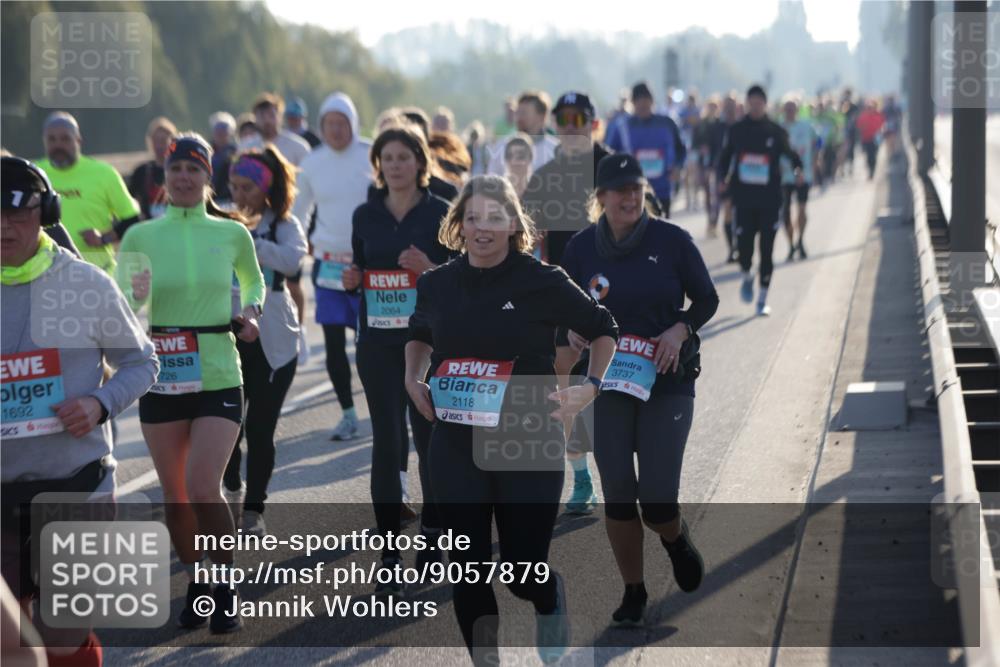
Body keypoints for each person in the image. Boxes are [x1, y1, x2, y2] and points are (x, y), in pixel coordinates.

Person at [405, 174, 618, 664]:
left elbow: (603, 327)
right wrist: (412, 376)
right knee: (469, 568)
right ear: (458, 223)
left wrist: (591, 385)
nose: (482, 228)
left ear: (513, 224)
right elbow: (418, 333)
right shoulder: (436, 283)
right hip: (456, 440)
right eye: (473, 217)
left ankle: (548, 596)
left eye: (494, 218)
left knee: (523, 569)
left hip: (527, 436)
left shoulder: (541, 280)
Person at [2, 155, 158, 664]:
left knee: (62, 639)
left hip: (77, 485)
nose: (4, 226)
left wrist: (99, 403)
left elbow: (141, 362)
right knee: (11, 644)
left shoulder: (86, 284)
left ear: (45, 214)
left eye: (18, 215)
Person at [560, 153, 718, 626]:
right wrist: (571, 331)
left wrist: (680, 329)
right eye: (619, 189)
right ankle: (634, 591)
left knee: (657, 501)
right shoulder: (581, 248)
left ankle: (674, 537)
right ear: (601, 197)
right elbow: (565, 306)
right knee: (620, 497)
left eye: (636, 188)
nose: (630, 197)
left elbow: (707, 298)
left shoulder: (672, 241)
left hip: (666, 381)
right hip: (607, 384)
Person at [116, 134, 265, 634]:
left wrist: (250, 311)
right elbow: (124, 305)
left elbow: (254, 281)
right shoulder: (140, 236)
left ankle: (224, 585)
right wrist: (134, 301)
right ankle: (198, 579)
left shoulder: (231, 233)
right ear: (164, 176)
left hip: (220, 371)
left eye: (193, 169)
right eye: (175, 168)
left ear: (207, 178)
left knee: (205, 485)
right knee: (176, 495)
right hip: (162, 374)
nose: (183, 177)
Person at [339, 124, 454, 592]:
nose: (395, 165)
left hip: (428, 341)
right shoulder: (365, 214)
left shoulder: (441, 212)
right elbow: (360, 267)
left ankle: (431, 538)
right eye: (387, 158)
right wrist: (353, 278)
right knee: (386, 441)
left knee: (429, 440)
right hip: (379, 343)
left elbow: (465, 276)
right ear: (378, 166)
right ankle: (388, 546)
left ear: (420, 163)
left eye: (403, 157)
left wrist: (430, 269)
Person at [522, 90, 612, 514]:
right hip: (565, 296)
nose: (571, 124)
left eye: (579, 117)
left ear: (593, 122)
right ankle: (580, 476)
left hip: (616, 294)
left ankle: (622, 472)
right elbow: (527, 236)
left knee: (610, 390)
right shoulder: (547, 174)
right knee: (565, 387)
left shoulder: (612, 168)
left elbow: (648, 219)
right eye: (564, 118)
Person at [222, 146, 307, 537]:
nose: (239, 195)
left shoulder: (283, 224)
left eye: (247, 188)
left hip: (274, 342)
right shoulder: (219, 219)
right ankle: (233, 491)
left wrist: (251, 240)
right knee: (227, 427)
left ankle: (255, 509)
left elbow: (292, 263)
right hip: (227, 335)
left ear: (265, 189)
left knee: (259, 427)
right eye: (234, 186)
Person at [293, 92, 370, 441]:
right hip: (327, 265)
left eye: (342, 123)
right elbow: (298, 212)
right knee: (334, 344)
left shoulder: (371, 154)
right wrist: (292, 246)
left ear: (353, 124)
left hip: (368, 265)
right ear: (321, 127)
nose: (336, 130)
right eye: (330, 124)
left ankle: (387, 407)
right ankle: (348, 414)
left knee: (370, 345)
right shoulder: (312, 162)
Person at [717, 85, 803, 316]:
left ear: (765, 105)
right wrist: (722, 179)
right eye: (751, 103)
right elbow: (724, 159)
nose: (755, 107)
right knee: (744, 249)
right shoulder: (736, 130)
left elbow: (790, 154)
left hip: (769, 200)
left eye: (759, 103)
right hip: (743, 199)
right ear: (746, 104)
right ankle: (746, 274)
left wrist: (799, 168)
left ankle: (762, 299)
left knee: (767, 249)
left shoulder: (775, 131)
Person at [35, 112, 141, 273]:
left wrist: (103, 238)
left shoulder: (104, 174)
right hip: (46, 275)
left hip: (97, 275)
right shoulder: (35, 174)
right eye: (52, 139)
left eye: (65, 139)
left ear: (78, 141)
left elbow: (132, 219)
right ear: (44, 141)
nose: (58, 145)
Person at [604, 82, 686, 218]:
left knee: (661, 232)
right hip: (632, 193)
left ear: (652, 102)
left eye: (646, 102)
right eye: (639, 103)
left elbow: (681, 149)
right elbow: (608, 154)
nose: (643, 106)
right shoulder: (622, 127)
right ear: (633, 104)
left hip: (662, 190)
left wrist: (678, 167)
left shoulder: (667, 123)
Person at [779, 97, 819, 260]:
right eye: (787, 109)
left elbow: (818, 143)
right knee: (786, 213)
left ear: (797, 110)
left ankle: (801, 240)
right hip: (784, 177)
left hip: (804, 174)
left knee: (802, 209)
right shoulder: (779, 129)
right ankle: (790, 244)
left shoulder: (806, 126)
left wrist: (815, 162)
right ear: (783, 111)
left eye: (792, 109)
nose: (790, 112)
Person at [487, 91, 560, 175]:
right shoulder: (501, 147)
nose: (519, 117)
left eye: (524, 113)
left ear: (542, 116)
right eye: (518, 112)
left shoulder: (556, 151)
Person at [129, 117, 177, 220]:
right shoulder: (141, 172)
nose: (159, 145)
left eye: (163, 140)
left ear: (172, 143)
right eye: (155, 140)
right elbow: (129, 201)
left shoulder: (179, 172)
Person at [251, 93, 311, 167]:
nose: (267, 121)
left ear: (280, 117)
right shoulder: (246, 148)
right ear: (254, 119)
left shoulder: (299, 147)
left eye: (271, 115)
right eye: (262, 116)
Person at [208, 112, 239, 203]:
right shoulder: (206, 151)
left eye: (224, 131)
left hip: (229, 199)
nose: (220, 134)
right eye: (217, 130)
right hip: (209, 199)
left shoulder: (236, 152)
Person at [855, 99, 884, 180]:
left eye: (872, 107)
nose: (871, 109)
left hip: (875, 139)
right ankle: (870, 171)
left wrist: (880, 133)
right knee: (868, 156)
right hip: (866, 139)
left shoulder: (879, 115)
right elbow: (859, 125)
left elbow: (882, 125)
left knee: (874, 156)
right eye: (869, 107)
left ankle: (872, 171)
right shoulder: (863, 116)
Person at [502, 133, 534, 198]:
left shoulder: (539, 191)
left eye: (520, 156)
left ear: (530, 158)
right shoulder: (498, 191)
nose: (514, 161)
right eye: (510, 155)